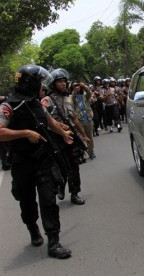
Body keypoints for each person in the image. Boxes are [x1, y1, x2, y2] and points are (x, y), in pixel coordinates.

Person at [0, 64, 73, 259]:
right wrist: (26, 133)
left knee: (48, 200)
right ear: (30, 83)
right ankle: (33, 230)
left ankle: (54, 242)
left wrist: (63, 134)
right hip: (22, 163)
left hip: (43, 160)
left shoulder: (36, 102)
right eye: (39, 83)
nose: (41, 87)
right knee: (27, 203)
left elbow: (49, 121)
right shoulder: (8, 105)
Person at [41, 68, 90, 205]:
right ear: (53, 84)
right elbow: (45, 121)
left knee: (74, 164)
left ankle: (75, 193)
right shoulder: (46, 100)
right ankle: (60, 185)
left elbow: (74, 119)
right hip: (55, 138)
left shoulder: (68, 99)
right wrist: (60, 128)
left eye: (64, 81)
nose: (63, 84)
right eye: (59, 82)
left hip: (70, 135)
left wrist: (83, 135)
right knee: (61, 165)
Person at [71, 81, 95, 159]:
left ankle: (91, 152)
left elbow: (89, 93)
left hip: (88, 118)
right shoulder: (72, 97)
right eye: (75, 86)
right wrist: (74, 91)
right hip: (79, 120)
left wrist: (84, 86)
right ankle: (82, 153)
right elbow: (72, 100)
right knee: (80, 137)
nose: (77, 87)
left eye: (78, 86)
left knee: (90, 137)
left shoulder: (85, 96)